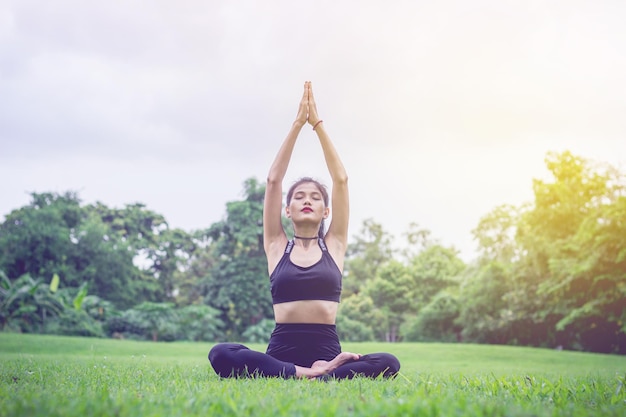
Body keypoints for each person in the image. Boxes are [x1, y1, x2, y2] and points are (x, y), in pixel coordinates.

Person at [208, 81, 400, 379]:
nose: (306, 200)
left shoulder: (334, 245)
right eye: (299, 196)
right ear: (288, 210)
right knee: (221, 353)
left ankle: (310, 370)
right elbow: (273, 180)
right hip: (282, 350)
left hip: (327, 349)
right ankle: (313, 374)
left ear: (326, 210)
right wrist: (298, 123)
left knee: (388, 361)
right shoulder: (276, 244)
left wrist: (318, 125)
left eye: (315, 197)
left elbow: (341, 181)